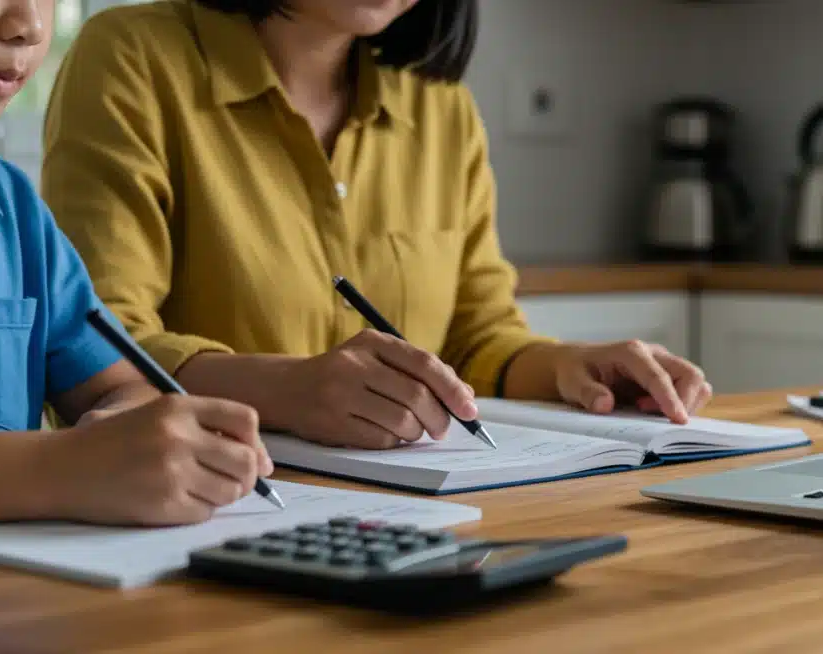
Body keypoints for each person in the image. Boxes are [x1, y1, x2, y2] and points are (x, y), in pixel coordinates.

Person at [42, 0, 713, 451]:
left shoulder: (443, 108)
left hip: (415, 514)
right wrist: (289, 391)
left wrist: (570, 368)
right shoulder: (134, 56)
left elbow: (477, 340)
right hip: (199, 508)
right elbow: (95, 344)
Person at [0, 0, 272, 526]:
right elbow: (68, 464)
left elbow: (123, 385)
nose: (29, 26)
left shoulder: (8, 207)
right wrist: (64, 468)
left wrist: (128, 433)